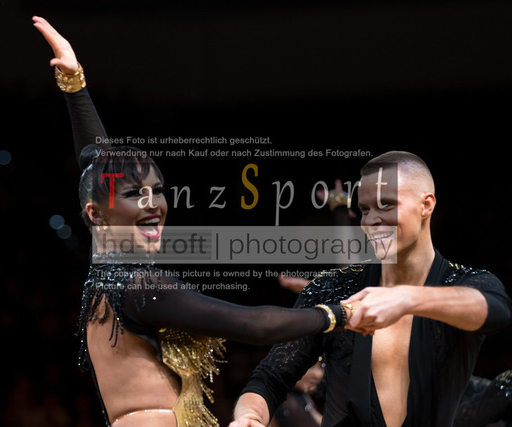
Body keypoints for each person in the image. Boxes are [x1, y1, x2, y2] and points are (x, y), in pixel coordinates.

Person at [32, 16, 354, 427]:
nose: (154, 204)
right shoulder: (139, 286)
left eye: (158, 191)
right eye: (135, 195)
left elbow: (97, 168)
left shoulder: (110, 274)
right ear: (96, 214)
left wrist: (75, 84)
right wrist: (340, 313)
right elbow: (254, 325)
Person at [230, 151, 512, 427]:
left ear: (426, 205)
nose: (369, 221)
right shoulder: (331, 287)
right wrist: (250, 415)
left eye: (386, 205)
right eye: (365, 209)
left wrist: (407, 298)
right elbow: (271, 377)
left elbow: (494, 309)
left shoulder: (466, 281)